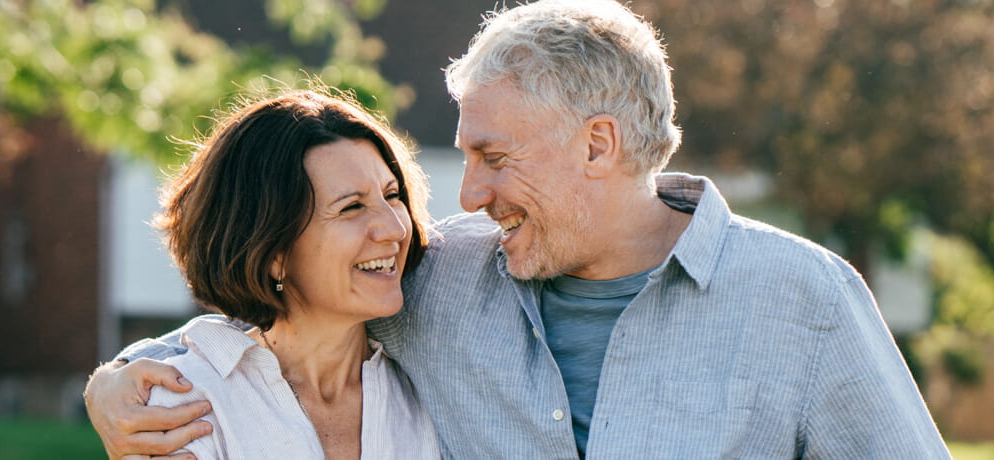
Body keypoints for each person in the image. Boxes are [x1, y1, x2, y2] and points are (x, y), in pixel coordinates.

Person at [86, 1, 948, 458]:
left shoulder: (803, 299)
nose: (470, 192)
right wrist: (116, 382)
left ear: (597, 144)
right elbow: (269, 319)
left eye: (496, 157)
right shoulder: (435, 279)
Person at [128, 89, 441, 460]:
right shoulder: (191, 403)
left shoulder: (433, 391)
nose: (395, 228)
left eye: (392, 195)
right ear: (272, 252)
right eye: (352, 207)